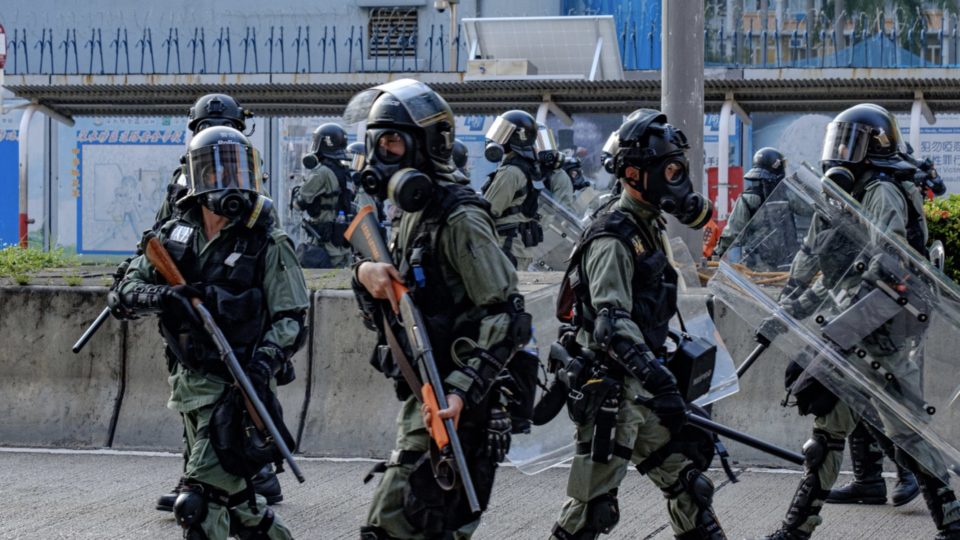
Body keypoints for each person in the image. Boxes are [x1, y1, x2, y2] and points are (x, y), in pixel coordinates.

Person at [755, 104, 959, 540]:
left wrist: (830, 335)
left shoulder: (882, 191)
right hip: (854, 330)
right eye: (838, 140)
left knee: (906, 434)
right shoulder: (849, 192)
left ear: (876, 147)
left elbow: (888, 268)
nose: (840, 153)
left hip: (883, 333)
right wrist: (782, 316)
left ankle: (952, 520)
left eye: (852, 143)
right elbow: (831, 275)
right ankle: (796, 529)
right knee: (827, 434)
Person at [346, 79, 532, 540]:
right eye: (377, 143)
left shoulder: (459, 217)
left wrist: (460, 392)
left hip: (457, 403)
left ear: (427, 146)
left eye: (393, 142)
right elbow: (396, 304)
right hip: (425, 396)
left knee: (397, 525)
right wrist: (365, 275)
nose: (382, 156)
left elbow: (507, 316)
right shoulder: (415, 213)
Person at [110, 126, 307, 540]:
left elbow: (292, 320)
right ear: (198, 180)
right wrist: (167, 297)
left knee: (197, 504)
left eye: (237, 170)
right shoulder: (173, 235)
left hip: (236, 389)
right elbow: (123, 293)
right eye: (217, 172)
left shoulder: (268, 241)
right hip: (188, 385)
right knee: (239, 507)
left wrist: (260, 366)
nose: (229, 181)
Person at [550, 109, 722, 540]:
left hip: (642, 391)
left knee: (690, 487)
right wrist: (661, 381)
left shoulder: (649, 225)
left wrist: (659, 379)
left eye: (678, 167)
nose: (676, 177)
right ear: (632, 173)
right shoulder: (614, 236)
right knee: (591, 512)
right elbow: (611, 324)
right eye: (667, 169)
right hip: (614, 396)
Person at [481, 110, 544, 269]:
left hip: (506, 247)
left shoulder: (510, 172)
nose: (497, 138)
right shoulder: (528, 167)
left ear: (516, 137)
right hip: (516, 247)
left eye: (503, 132)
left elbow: (487, 210)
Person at [290, 122, 355, 268]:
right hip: (342, 243)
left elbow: (299, 203)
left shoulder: (322, 172)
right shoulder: (345, 172)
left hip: (324, 244)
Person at [714, 147, 787, 258]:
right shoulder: (788, 196)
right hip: (787, 257)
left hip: (757, 264)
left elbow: (733, 232)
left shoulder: (749, 198)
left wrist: (716, 253)